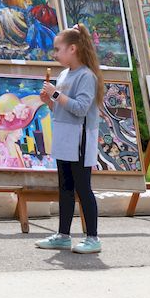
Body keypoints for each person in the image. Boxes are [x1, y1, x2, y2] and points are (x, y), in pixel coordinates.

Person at [35, 24, 104, 255]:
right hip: (65, 138)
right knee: (64, 187)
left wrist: (55, 94)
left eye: (58, 49)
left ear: (72, 49)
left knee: (83, 188)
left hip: (80, 140)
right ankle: (63, 235)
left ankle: (92, 237)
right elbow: (62, 110)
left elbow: (81, 108)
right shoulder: (64, 74)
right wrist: (49, 102)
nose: (55, 54)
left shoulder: (86, 76)